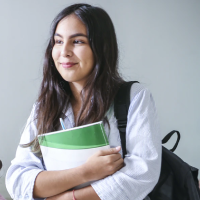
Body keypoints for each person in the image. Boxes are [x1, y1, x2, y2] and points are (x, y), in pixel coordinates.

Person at [6, 3, 161, 200]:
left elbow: (141, 174)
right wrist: (86, 172)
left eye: (77, 41)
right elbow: (18, 180)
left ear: (101, 47)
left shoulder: (133, 97)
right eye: (58, 41)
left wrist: (64, 198)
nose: (64, 52)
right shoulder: (44, 107)